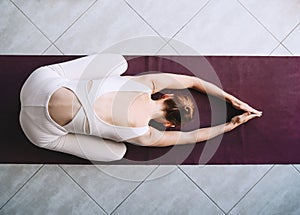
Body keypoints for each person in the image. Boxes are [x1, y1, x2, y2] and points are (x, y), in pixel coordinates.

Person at [19, 54, 262, 162]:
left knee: (118, 62)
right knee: (117, 153)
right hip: (36, 131)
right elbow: (191, 137)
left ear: (165, 95)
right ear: (169, 124)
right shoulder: (145, 136)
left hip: (38, 81)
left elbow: (194, 82)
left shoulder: (145, 83)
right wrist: (229, 126)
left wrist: (233, 100)